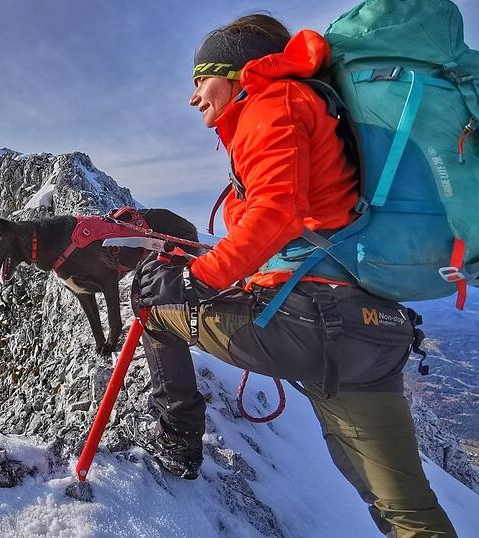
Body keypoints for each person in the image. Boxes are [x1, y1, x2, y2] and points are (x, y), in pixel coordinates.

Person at [125, 14, 459, 537]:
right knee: (406, 511)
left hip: (311, 324)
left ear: (235, 72)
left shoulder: (270, 102)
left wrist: (198, 279)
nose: (193, 98)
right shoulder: (311, 105)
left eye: (199, 80)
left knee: (155, 313)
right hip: (371, 330)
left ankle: (177, 447)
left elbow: (277, 211)